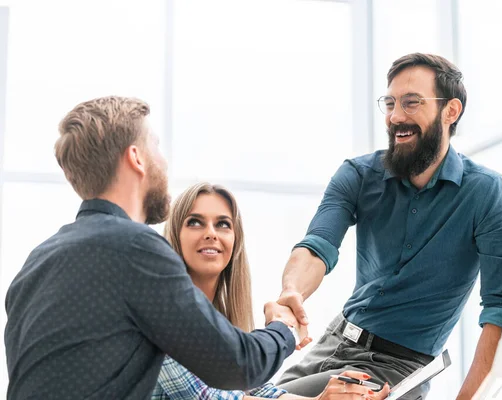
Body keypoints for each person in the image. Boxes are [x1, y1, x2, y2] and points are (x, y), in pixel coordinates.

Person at [4, 96, 299, 400]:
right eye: (156, 146)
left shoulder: (36, 262)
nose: (164, 161)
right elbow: (240, 364)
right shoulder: (134, 247)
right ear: (136, 158)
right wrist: (284, 328)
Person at [273, 53, 502, 400]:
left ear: (451, 111)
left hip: (396, 368)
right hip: (334, 340)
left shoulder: (486, 193)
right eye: (389, 104)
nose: (395, 117)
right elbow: (318, 245)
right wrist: (293, 291)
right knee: (253, 395)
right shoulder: (358, 174)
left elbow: (501, 310)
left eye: (411, 103)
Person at [152, 182, 391, 400]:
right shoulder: (161, 312)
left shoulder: (219, 323)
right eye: (195, 222)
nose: (211, 233)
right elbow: (209, 398)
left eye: (223, 224)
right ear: (175, 235)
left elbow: (256, 390)